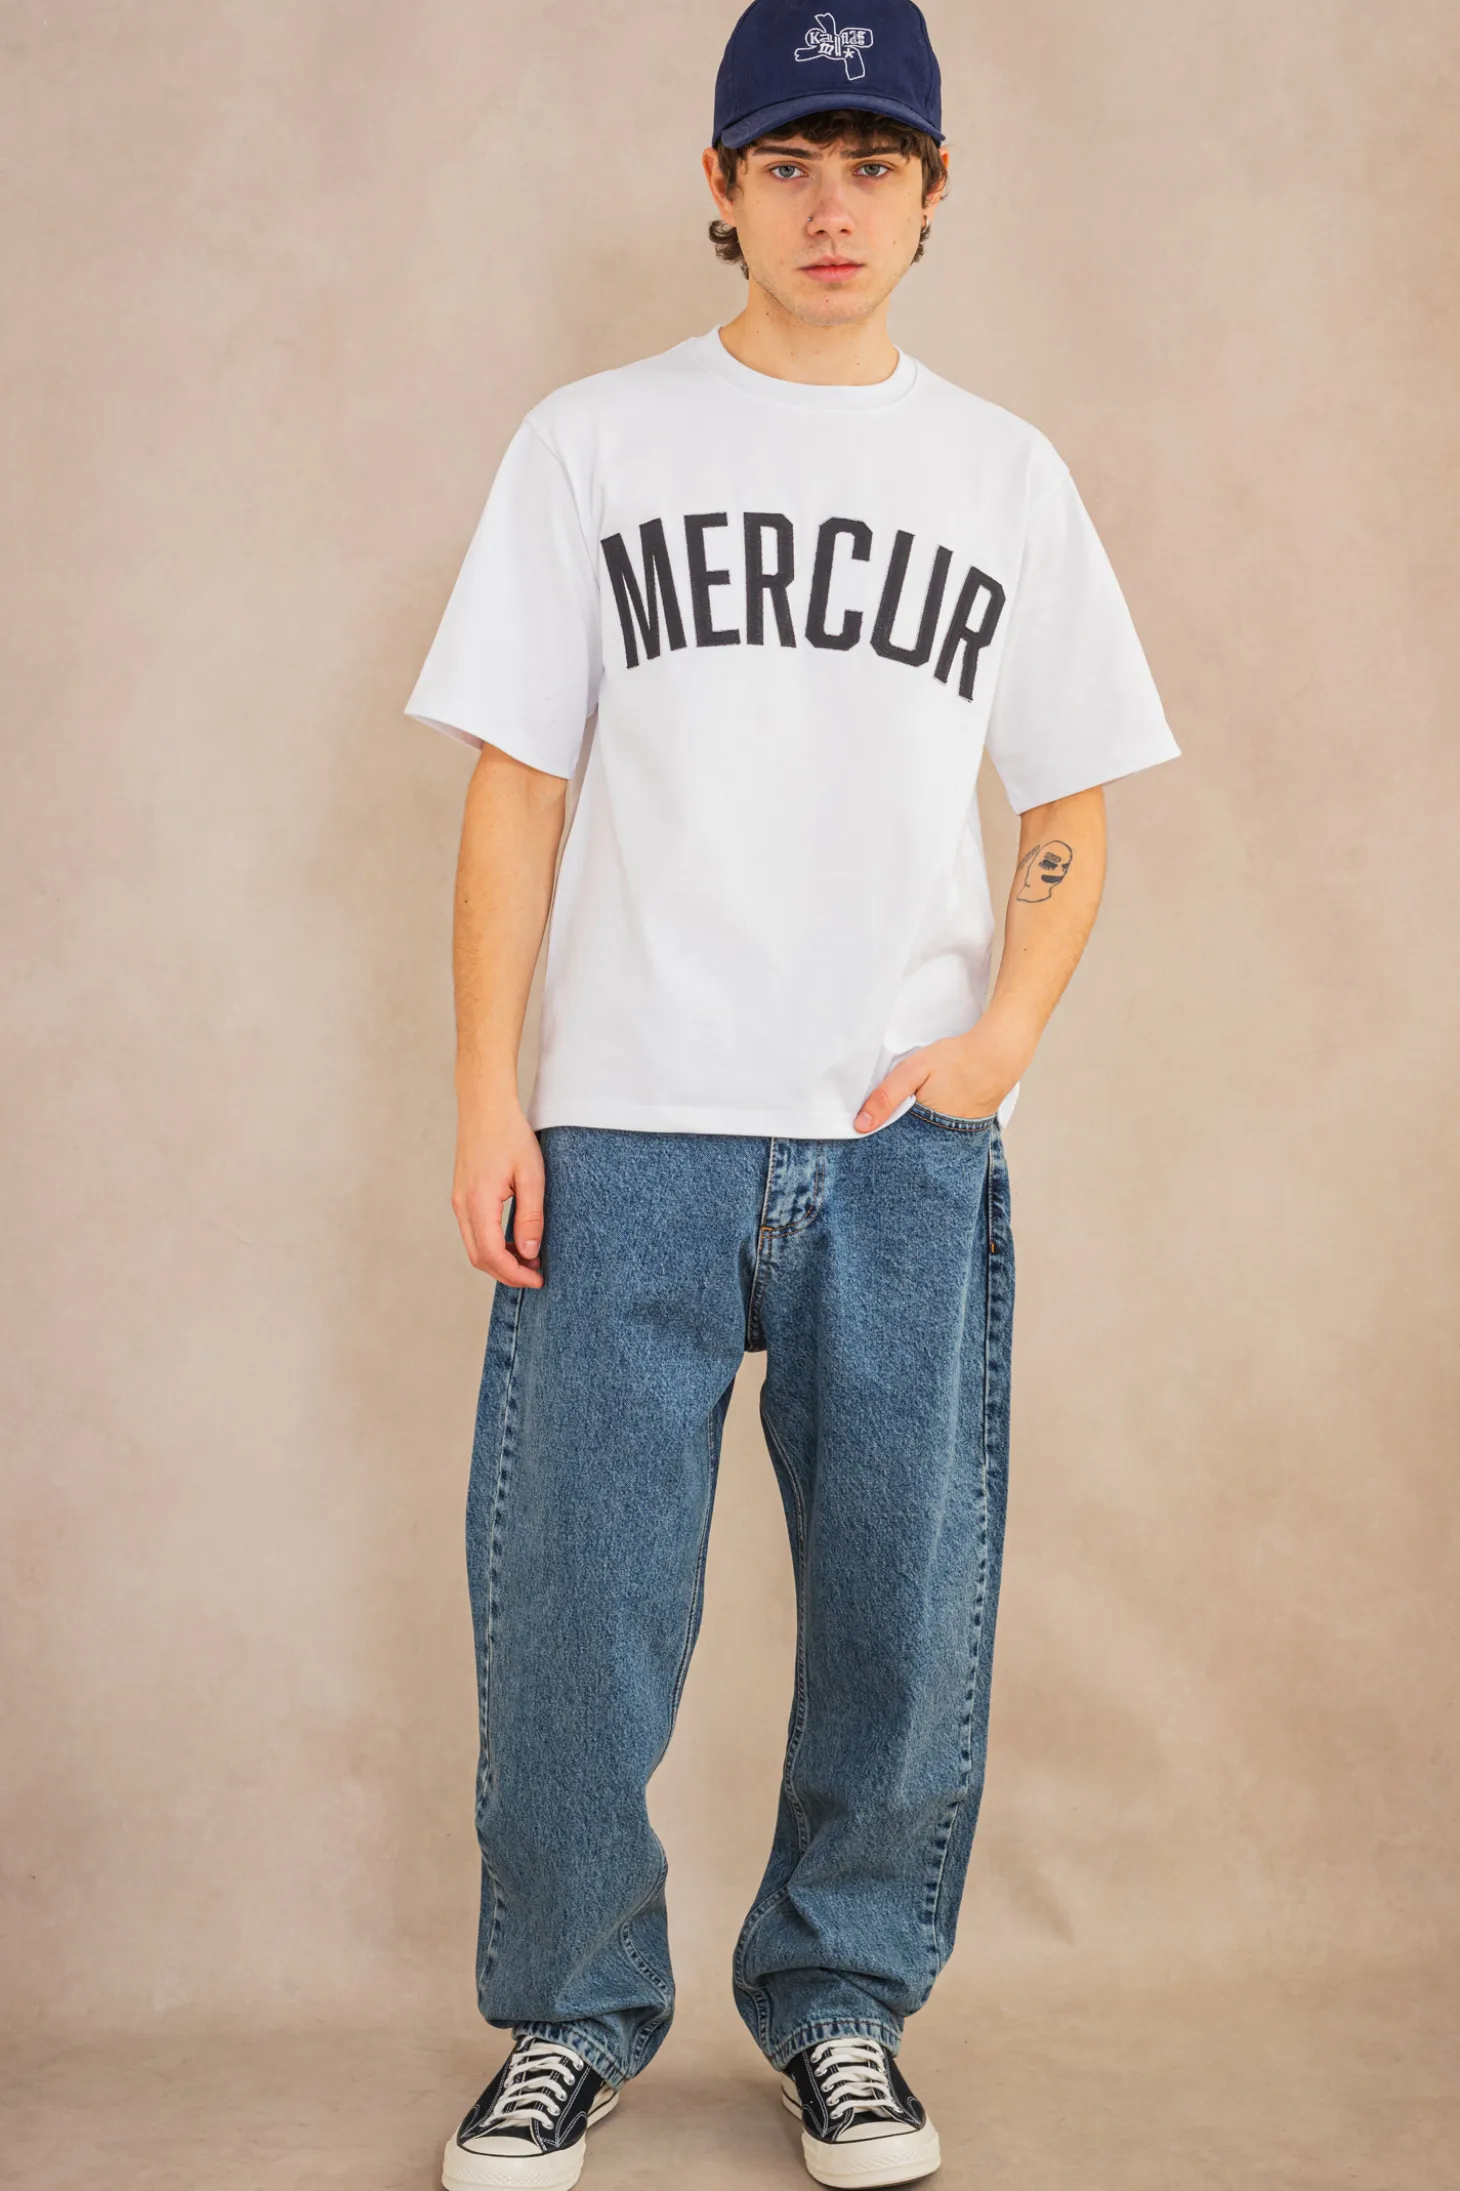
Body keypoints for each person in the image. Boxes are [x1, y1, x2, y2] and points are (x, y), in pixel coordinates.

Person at [404, 2, 1180, 2182]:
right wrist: (487, 1096)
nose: (831, 203)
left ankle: (842, 2004)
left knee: (897, 1610)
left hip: (896, 1145)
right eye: (787, 160)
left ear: (931, 194)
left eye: (872, 160)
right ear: (722, 188)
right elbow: (515, 787)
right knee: (573, 1610)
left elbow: (1073, 802)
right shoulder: (590, 445)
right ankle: (569, 2017)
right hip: (621, 1126)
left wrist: (997, 1046)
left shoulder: (1003, 476)